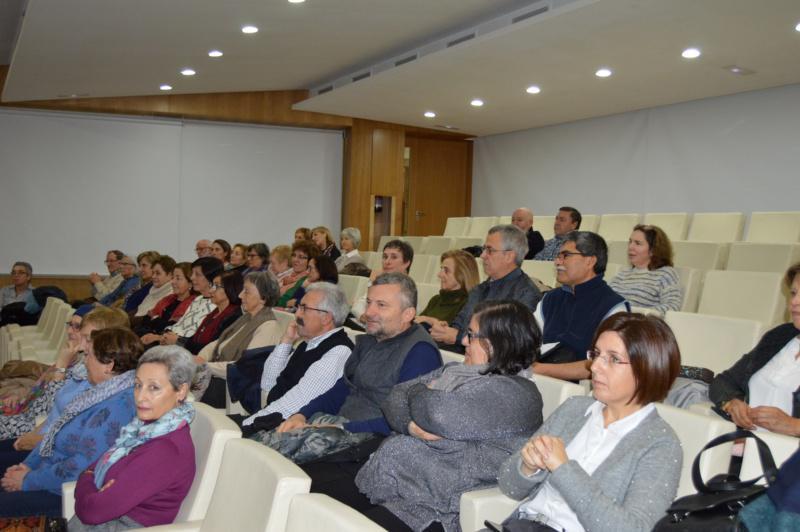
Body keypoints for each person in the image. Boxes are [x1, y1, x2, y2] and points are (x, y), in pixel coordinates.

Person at [355, 300, 544, 532]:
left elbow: (437, 414)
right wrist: (411, 426)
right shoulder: (457, 370)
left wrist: (418, 391)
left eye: (472, 335)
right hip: (402, 485)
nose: (464, 341)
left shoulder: (517, 393)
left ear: (499, 342)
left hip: (437, 508)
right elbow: (394, 397)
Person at [496, 313, 682, 532]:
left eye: (613, 359)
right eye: (596, 354)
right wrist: (527, 468)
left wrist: (564, 469)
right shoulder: (575, 409)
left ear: (648, 369)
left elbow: (633, 529)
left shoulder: (660, 444)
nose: (594, 367)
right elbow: (508, 486)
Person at [249, 272, 441, 465]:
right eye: (369, 303)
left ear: (408, 314)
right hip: (337, 430)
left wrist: (341, 427)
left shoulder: (420, 353)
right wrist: (302, 414)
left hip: (370, 449)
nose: (368, 313)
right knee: (255, 450)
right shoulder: (371, 341)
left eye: (381, 305)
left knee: (269, 465)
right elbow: (342, 389)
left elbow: (403, 419)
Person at [0, 327, 141, 517]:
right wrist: (28, 465)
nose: (85, 361)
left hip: (67, 493)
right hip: (47, 474)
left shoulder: (117, 407)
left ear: (109, 365)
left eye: (89, 355)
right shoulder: (100, 392)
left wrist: (27, 480)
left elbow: (83, 465)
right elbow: (55, 434)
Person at [69, 346, 197, 531]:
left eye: (154, 388)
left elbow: (93, 512)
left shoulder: (166, 449)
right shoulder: (142, 430)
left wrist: (88, 482)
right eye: (138, 385)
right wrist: (90, 481)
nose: (140, 396)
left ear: (181, 391)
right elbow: (90, 470)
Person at [0, 306, 127, 445]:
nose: (69, 331)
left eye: (78, 327)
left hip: (36, 429)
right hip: (31, 419)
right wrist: (21, 395)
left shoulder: (93, 373)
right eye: (70, 325)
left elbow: (49, 411)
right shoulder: (79, 362)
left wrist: (61, 367)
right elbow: (41, 393)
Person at [237, 282, 354, 432]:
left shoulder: (338, 352)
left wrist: (246, 425)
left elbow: (293, 405)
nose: (297, 314)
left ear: (326, 318)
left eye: (304, 308)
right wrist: (286, 340)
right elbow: (267, 384)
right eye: (298, 307)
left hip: (284, 429)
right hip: (270, 420)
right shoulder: (309, 343)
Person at [709, 262, 800, 436]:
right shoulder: (779, 336)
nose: (794, 302)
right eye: (794, 293)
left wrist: (793, 425)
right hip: (745, 448)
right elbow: (722, 382)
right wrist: (731, 403)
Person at [533, 231, 629, 381]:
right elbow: (527, 341)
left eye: (566, 256)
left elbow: (604, 364)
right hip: (540, 379)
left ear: (590, 261)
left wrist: (539, 369)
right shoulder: (550, 299)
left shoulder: (614, 307)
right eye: (558, 256)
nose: (557, 262)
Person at [429, 225, 541, 349]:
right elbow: (458, 324)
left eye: (489, 250)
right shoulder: (478, 289)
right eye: (484, 249)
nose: (482, 255)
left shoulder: (527, 294)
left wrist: (458, 337)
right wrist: (445, 329)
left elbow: (509, 342)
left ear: (509, 256)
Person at [195, 271, 283, 407]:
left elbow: (244, 368)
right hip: (218, 376)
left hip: (233, 389)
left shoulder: (268, 327)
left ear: (263, 298)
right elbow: (218, 344)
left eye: (246, 292)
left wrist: (205, 366)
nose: (240, 295)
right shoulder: (247, 318)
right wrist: (200, 359)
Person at [608, 224, 682, 314]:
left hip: (639, 325)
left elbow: (672, 307)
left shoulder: (666, 274)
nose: (631, 247)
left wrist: (639, 313)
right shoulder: (622, 274)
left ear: (653, 250)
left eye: (638, 243)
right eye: (630, 242)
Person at [154, 257, 222, 346]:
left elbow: (198, 339)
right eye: (192, 274)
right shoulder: (198, 299)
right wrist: (164, 336)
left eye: (197, 274)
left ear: (211, 277)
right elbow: (179, 325)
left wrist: (176, 340)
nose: (192, 277)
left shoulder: (216, 304)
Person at [181, 270, 243, 355]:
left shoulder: (234, 317)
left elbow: (214, 349)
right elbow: (196, 338)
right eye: (212, 285)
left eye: (216, 286)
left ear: (230, 288)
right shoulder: (214, 312)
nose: (211, 291)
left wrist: (181, 342)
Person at [350, 239, 414, 322]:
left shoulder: (409, 290)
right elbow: (357, 305)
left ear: (406, 263)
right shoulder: (381, 283)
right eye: (385, 257)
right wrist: (363, 316)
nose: (387, 262)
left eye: (394, 257)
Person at [416, 249, 479, 327]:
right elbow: (417, 325)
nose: (439, 274)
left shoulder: (469, 304)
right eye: (441, 269)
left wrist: (431, 321)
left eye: (446, 270)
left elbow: (459, 335)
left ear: (462, 275)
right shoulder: (435, 300)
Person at [135, 262, 196, 340]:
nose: (172, 282)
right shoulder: (168, 298)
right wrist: (157, 320)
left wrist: (155, 320)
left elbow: (170, 329)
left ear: (190, 283)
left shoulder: (193, 304)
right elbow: (146, 320)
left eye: (178, 278)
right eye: (173, 278)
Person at [277, 241, 320, 306]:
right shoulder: (288, 274)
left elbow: (283, 302)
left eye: (301, 257)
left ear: (310, 261)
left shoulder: (307, 280)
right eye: (294, 255)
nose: (295, 259)